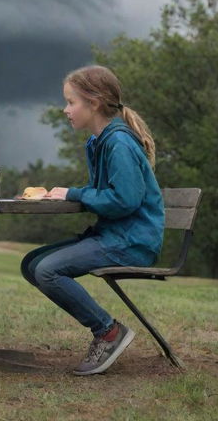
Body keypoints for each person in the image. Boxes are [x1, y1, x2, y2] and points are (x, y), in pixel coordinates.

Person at [21, 65, 164, 376]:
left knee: (47, 270)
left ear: (94, 103)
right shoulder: (98, 142)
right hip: (113, 235)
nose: (65, 109)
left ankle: (108, 332)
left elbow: (125, 200)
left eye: (71, 102)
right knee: (32, 263)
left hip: (132, 242)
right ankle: (106, 330)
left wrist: (73, 193)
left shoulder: (118, 144)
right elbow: (107, 193)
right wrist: (67, 194)